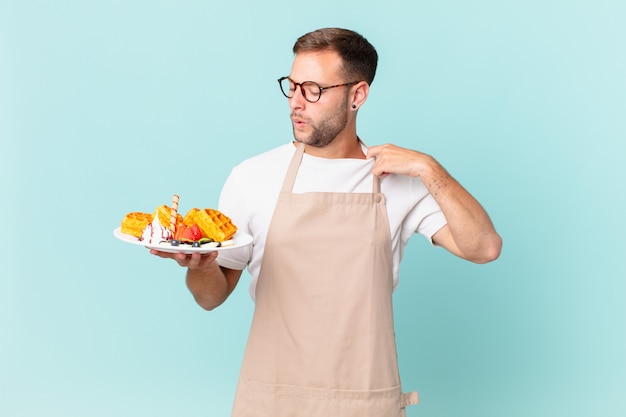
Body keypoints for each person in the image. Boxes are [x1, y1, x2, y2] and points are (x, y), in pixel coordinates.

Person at [152, 27, 502, 417]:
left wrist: (429, 168)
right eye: (293, 85)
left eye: (314, 89)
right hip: (272, 401)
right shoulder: (251, 177)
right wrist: (199, 268)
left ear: (357, 95)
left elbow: (484, 248)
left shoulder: (398, 181)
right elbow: (210, 297)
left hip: (364, 403)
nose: (296, 103)